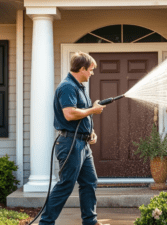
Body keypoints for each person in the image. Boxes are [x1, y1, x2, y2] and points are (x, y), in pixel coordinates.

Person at [39, 52, 105, 225]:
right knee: (66, 184)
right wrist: (93, 110)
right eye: (90, 70)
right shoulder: (68, 86)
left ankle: (90, 221)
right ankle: (45, 223)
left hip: (82, 143)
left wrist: (90, 131)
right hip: (70, 144)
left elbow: (80, 115)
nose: (92, 73)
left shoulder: (79, 87)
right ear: (81, 68)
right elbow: (69, 114)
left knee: (89, 181)